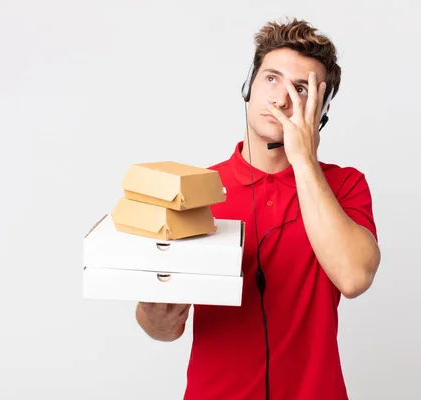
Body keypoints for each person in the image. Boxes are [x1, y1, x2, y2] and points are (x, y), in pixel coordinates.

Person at [135, 18, 381, 399]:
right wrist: (157, 318)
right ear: (249, 86)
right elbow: (162, 328)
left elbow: (353, 278)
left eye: (302, 89)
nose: (282, 99)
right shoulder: (198, 189)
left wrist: (304, 162)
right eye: (271, 79)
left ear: (323, 110)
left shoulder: (344, 185)